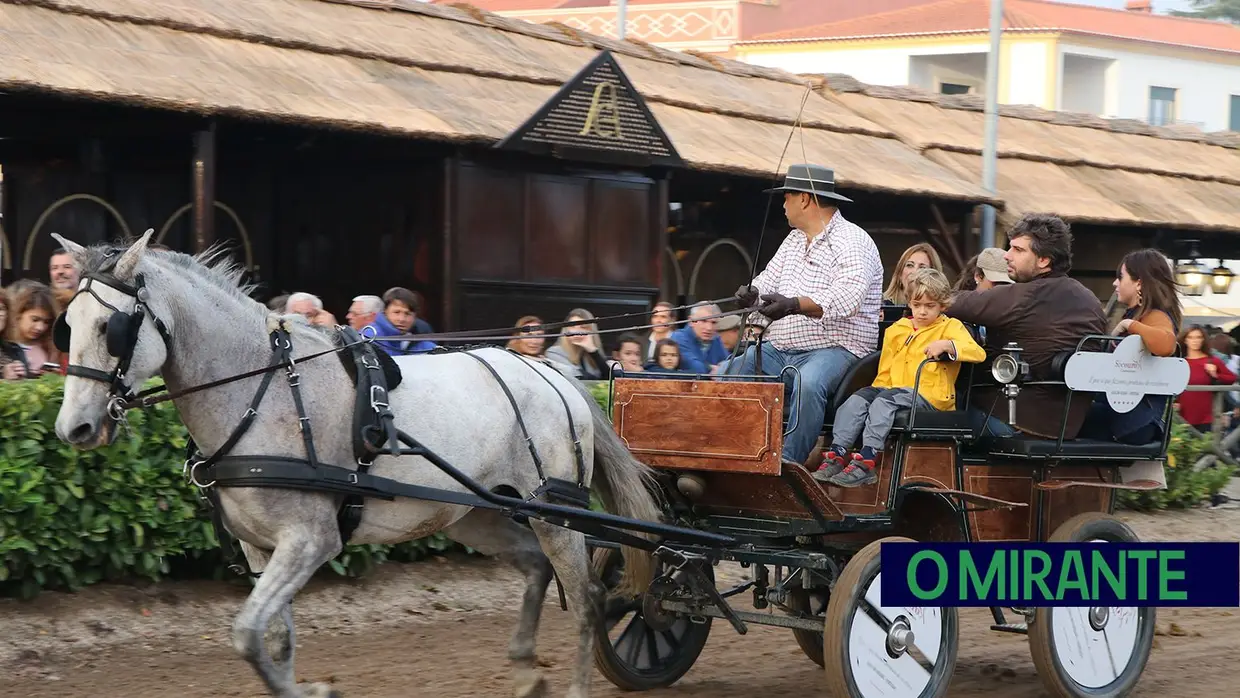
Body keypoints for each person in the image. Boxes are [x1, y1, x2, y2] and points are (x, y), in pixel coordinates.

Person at [729, 163, 885, 466]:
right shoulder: (793, 241)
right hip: (781, 349)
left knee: (809, 382)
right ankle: (736, 450)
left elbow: (847, 300)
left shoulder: (853, 241)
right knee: (732, 370)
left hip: (837, 349)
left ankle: (788, 464)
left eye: (786, 196)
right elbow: (768, 281)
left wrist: (793, 304)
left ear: (804, 199)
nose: (783, 204)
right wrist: (752, 293)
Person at [816, 268, 985, 486]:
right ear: (910, 303)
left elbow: (977, 353)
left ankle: (867, 461)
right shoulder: (897, 329)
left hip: (929, 394)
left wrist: (948, 345)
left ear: (943, 305)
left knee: (884, 403)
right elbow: (885, 369)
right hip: (892, 389)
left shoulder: (950, 327)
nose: (922, 312)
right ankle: (837, 454)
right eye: (917, 305)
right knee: (856, 401)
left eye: (930, 306)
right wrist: (873, 392)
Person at [945, 213, 1107, 440]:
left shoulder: (1026, 295)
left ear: (1044, 260)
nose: (1007, 257)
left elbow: (953, 303)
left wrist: (918, 301)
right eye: (1009, 248)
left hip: (1010, 421)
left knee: (931, 408)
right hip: (1065, 428)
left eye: (1018, 250)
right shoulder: (1091, 300)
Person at [1078, 249, 1182, 445]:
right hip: (1125, 416)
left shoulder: (1154, 316)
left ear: (1139, 283)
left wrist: (1128, 325)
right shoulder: (1137, 314)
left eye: (1120, 277)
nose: (1115, 283)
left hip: (1133, 422)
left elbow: (1167, 344)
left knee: (1060, 419)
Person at [1176, 325, 1236, 434]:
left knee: (1207, 448)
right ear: (1185, 340)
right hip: (1183, 415)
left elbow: (1231, 378)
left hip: (1207, 417)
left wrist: (1215, 374)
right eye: (1191, 337)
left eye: (1198, 337)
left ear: (1203, 339)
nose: (1195, 341)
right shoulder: (1179, 363)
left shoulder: (1212, 361)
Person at [368, 287, 438, 356]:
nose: (402, 319)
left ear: (415, 316)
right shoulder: (369, 337)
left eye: (408, 314)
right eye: (396, 312)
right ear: (385, 312)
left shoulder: (426, 346)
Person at [545, 308, 609, 379]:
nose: (577, 331)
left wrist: (593, 351)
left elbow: (609, 379)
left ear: (591, 331)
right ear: (566, 329)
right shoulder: (554, 353)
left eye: (583, 327)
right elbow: (579, 378)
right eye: (572, 326)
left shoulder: (591, 354)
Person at [671, 302, 730, 374]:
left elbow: (728, 366)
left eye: (714, 322)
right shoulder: (678, 337)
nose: (709, 328)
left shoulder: (715, 338)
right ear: (691, 321)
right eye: (704, 321)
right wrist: (710, 368)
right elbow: (695, 368)